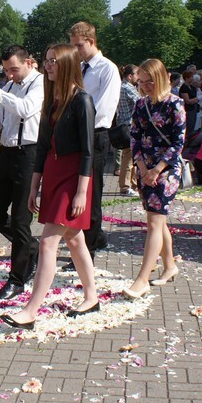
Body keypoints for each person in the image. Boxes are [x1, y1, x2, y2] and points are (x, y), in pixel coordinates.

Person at [0, 44, 97, 330]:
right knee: (75, 240)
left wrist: (81, 191)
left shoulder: (82, 100)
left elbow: (89, 152)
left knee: (47, 242)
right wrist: (34, 187)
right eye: (47, 60)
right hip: (54, 174)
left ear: (67, 64)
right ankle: (92, 296)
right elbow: (42, 146)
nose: (48, 65)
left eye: (53, 61)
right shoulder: (52, 99)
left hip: (73, 177)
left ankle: (31, 310)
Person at [122, 59, 185, 298]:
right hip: (144, 167)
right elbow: (134, 137)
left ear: (161, 78)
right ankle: (169, 266)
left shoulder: (175, 104)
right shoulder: (141, 104)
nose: (146, 86)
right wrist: (140, 166)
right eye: (142, 82)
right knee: (157, 220)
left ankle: (142, 278)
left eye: (150, 81)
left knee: (154, 224)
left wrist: (157, 169)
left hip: (166, 169)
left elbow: (179, 142)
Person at [0, 45, 44, 300]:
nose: (10, 75)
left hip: (28, 155)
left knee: (21, 220)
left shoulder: (40, 83)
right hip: (7, 153)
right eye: (6, 70)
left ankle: (17, 280)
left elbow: (25, 109)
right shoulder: (8, 86)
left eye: (14, 69)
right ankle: (31, 246)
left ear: (29, 63)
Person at [68, 21, 120, 260]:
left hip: (95, 132)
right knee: (79, 188)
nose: (76, 49)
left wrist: (79, 122)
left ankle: (88, 247)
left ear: (91, 41)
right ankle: (94, 235)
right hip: (77, 131)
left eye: (79, 45)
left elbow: (104, 106)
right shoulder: (80, 67)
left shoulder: (107, 68)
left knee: (92, 190)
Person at [114, 64, 140, 196]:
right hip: (129, 125)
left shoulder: (122, 86)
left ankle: (132, 184)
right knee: (128, 157)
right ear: (130, 76)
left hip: (124, 124)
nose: (139, 78)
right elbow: (141, 102)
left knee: (129, 156)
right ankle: (125, 186)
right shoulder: (127, 88)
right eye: (137, 75)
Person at [179, 70, 201, 137]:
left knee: (193, 125)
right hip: (188, 110)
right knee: (189, 125)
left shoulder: (192, 87)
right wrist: (194, 100)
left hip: (193, 108)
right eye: (190, 77)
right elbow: (187, 101)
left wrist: (194, 100)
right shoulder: (184, 88)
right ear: (186, 78)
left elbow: (195, 98)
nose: (192, 79)